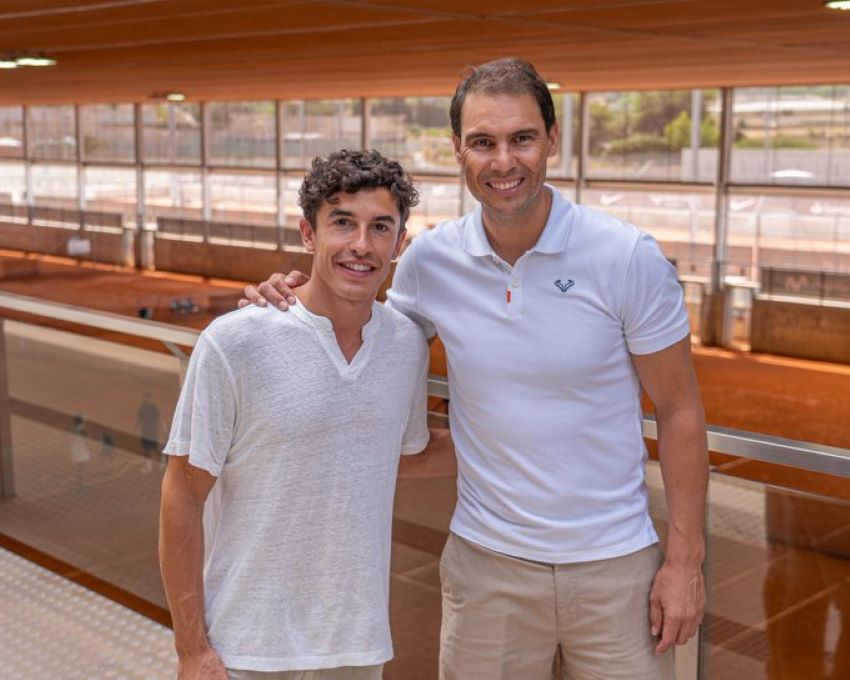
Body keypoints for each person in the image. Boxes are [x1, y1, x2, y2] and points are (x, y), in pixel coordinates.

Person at [245, 59, 709, 679]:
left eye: (522, 139)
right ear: (458, 149)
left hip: (618, 569)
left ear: (552, 139)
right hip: (486, 571)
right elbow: (362, 336)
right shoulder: (429, 262)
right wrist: (290, 296)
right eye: (484, 142)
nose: (504, 161)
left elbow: (679, 412)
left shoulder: (626, 257)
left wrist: (684, 563)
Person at [159, 149, 453, 680]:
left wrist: (533, 438)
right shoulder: (236, 341)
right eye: (342, 223)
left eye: (380, 227)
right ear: (308, 234)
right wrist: (190, 647)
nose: (361, 244)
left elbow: (397, 453)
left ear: (399, 244)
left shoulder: (406, 344)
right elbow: (183, 493)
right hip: (246, 649)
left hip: (357, 647)